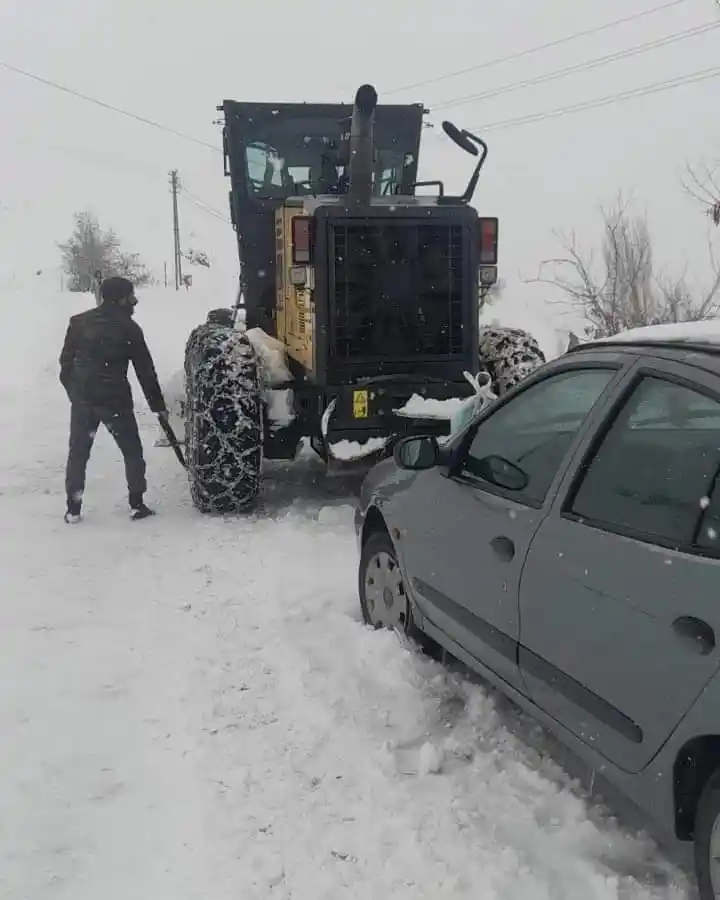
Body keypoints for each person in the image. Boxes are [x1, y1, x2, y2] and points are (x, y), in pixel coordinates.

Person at [59, 276, 168, 523]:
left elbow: (65, 364)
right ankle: (137, 503)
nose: (135, 301)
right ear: (120, 299)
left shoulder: (79, 323)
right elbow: (145, 371)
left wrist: (76, 393)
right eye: (131, 296)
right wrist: (158, 407)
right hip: (115, 400)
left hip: (84, 401)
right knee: (132, 451)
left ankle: (73, 509)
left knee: (78, 453)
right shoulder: (129, 328)